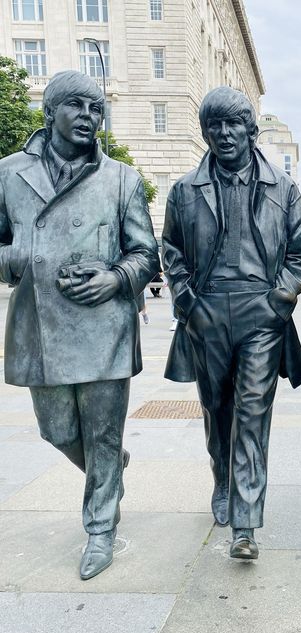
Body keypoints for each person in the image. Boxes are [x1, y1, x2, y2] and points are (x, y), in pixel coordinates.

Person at [0, 70, 159, 579]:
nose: (89, 117)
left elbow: (146, 255)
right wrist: (20, 254)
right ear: (49, 112)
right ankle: (108, 471)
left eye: (96, 108)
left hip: (104, 326)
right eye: (77, 106)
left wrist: (115, 278)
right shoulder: (8, 173)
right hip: (39, 328)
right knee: (57, 431)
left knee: (103, 434)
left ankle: (100, 527)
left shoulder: (122, 179)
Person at [162, 86, 301, 560]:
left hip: (260, 313)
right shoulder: (184, 190)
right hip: (206, 312)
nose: (224, 134)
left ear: (251, 128)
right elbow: (172, 252)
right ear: (205, 131)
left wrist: (278, 302)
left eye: (233, 124)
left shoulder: (283, 190)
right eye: (214, 125)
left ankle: (245, 524)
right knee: (216, 408)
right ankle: (222, 480)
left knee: (252, 412)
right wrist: (188, 303)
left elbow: (297, 254)